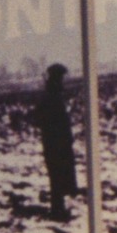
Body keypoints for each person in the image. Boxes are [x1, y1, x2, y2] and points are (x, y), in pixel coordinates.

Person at [34, 63, 80, 220]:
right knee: (57, 177)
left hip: (56, 143)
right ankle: (57, 210)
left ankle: (58, 208)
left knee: (57, 177)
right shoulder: (51, 98)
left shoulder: (51, 96)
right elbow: (41, 119)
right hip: (56, 144)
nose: (63, 81)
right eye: (61, 78)